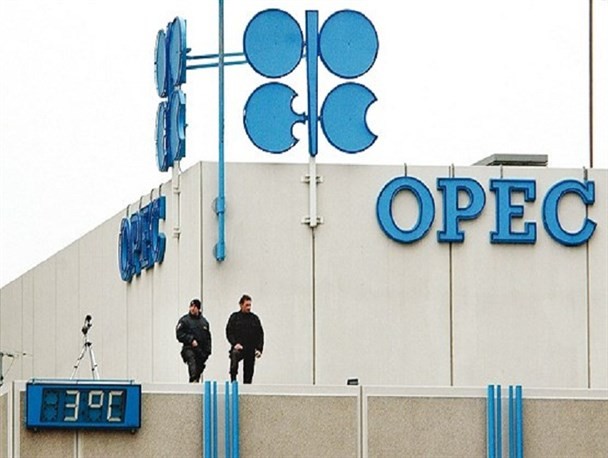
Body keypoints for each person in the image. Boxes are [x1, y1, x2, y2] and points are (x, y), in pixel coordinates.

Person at [225, 294, 264, 384]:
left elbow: (260, 334)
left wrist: (259, 349)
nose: (249, 308)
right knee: (234, 356)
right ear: (241, 305)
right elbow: (229, 332)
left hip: (250, 348)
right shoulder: (234, 317)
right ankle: (233, 381)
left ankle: (247, 387)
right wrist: (234, 343)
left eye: (250, 305)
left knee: (249, 372)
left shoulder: (254, 319)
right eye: (246, 305)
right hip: (239, 347)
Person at [176, 298, 212, 383]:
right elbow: (179, 334)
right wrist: (190, 339)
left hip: (200, 349)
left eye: (195, 307)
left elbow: (207, 338)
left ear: (199, 309)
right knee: (192, 362)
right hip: (189, 347)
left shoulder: (204, 322)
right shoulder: (184, 320)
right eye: (191, 306)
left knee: (199, 368)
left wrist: (207, 351)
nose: (192, 308)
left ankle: (195, 382)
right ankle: (193, 379)